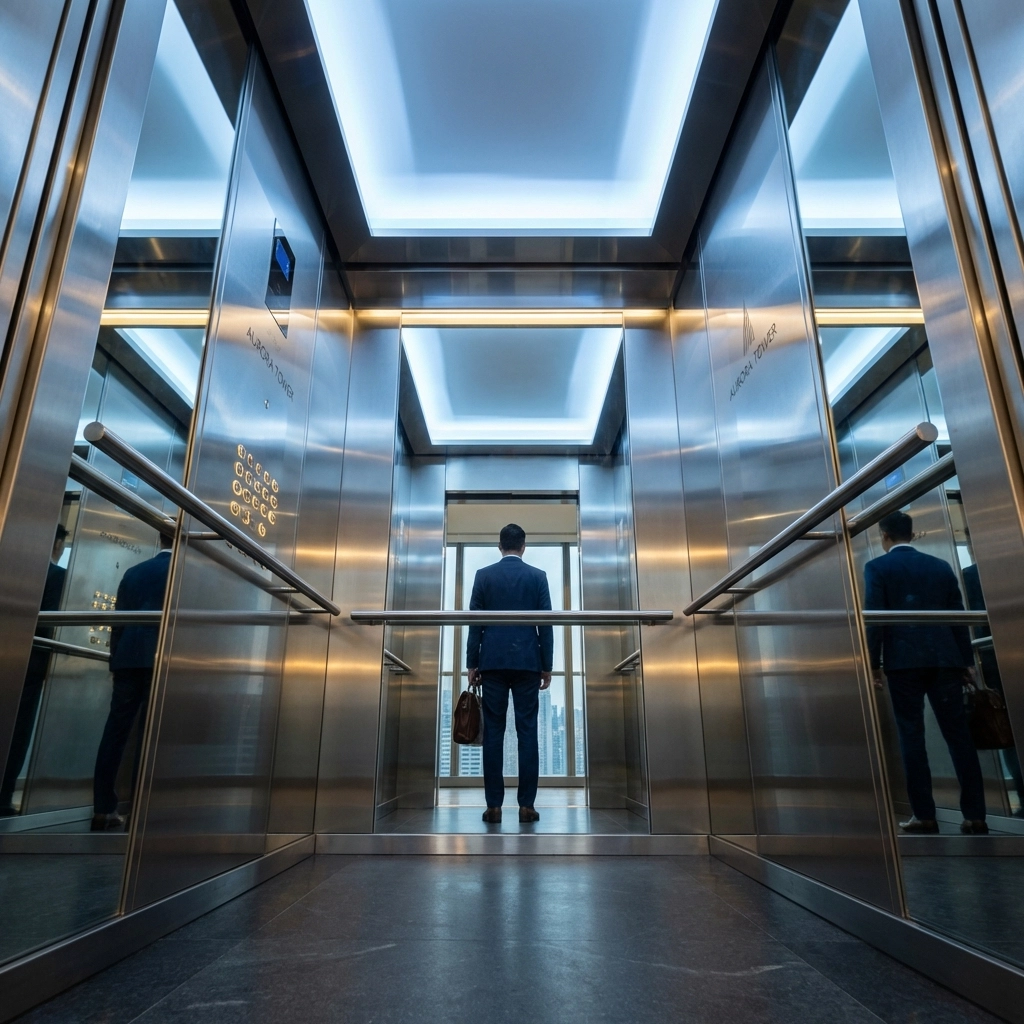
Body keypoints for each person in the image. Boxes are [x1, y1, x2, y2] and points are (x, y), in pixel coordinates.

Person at [864, 510, 987, 835]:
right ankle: (975, 816)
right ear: (911, 533)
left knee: (911, 736)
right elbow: (957, 615)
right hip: (945, 660)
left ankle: (925, 815)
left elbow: (874, 618)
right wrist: (965, 661)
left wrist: (873, 663)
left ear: (884, 536)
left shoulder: (877, 567)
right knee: (959, 737)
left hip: (903, 663)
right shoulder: (940, 566)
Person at [466, 524, 553, 824]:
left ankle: (494, 807)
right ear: (523, 546)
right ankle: (526, 806)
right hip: (528, 662)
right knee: (527, 732)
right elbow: (547, 625)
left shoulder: (483, 576)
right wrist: (547, 665)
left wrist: (472, 663)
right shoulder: (538, 577)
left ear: (499, 546)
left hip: (492, 662)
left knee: (494, 734)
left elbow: (474, 623)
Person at [92, 533, 172, 831]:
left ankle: (103, 809)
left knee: (115, 731)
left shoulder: (134, 572)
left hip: (128, 658)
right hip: (162, 659)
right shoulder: (182, 574)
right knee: (151, 733)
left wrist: (116, 659)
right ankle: (143, 810)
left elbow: (119, 620)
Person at [0, 524, 68, 815]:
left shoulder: (11, 569)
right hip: (32, 662)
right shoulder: (56, 576)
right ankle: (4, 796)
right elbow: (51, 623)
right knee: (18, 731)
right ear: (56, 545)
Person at [962, 561, 1024, 814]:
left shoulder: (972, 574)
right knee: (1008, 729)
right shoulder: (971, 574)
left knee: (1009, 729)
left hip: (994, 659)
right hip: (995, 660)